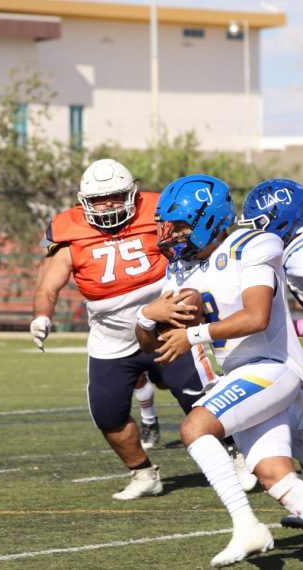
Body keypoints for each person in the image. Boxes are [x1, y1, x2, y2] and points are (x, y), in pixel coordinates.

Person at [135, 175, 303, 569]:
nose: (171, 236)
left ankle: (246, 525)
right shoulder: (180, 270)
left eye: (179, 226)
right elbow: (155, 347)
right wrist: (145, 317)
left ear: (207, 220)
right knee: (275, 476)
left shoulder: (252, 245)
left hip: (274, 367)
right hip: (242, 372)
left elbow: (257, 316)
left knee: (195, 428)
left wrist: (195, 334)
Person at [30, 159, 211, 500]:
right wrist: (42, 316)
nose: (108, 205)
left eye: (115, 196)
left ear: (132, 193)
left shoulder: (158, 211)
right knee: (107, 412)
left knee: (201, 399)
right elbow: (48, 285)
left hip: (166, 327)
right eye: (99, 199)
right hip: (112, 337)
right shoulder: (69, 229)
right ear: (85, 201)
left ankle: (234, 455)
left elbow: (198, 247)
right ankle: (143, 473)